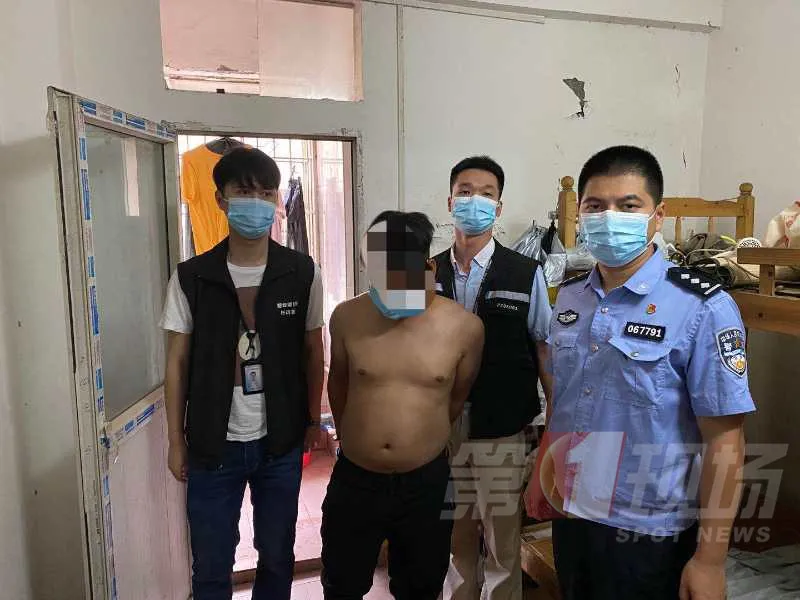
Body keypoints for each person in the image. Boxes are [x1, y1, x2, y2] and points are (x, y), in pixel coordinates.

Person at [538, 145, 755, 600]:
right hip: (573, 513)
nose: (609, 218)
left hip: (650, 530)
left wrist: (711, 559)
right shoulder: (571, 298)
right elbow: (563, 401)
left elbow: (725, 439)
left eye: (628, 205)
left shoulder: (703, 307)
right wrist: (545, 476)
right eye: (596, 206)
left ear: (658, 215)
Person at [160, 146, 325, 600]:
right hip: (213, 446)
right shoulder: (192, 277)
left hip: (280, 443)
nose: (257, 202)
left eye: (267, 193)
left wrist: (313, 421)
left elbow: (314, 350)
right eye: (244, 191)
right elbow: (176, 362)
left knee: (277, 556)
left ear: (277, 201)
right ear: (221, 199)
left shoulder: (301, 272)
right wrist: (176, 440)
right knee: (212, 564)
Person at [322, 210, 485, 600]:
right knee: (341, 585)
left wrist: (417, 442)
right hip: (355, 479)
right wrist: (357, 440)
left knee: (421, 588)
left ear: (428, 267)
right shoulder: (347, 317)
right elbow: (339, 384)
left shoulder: (465, 328)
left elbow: (455, 398)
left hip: (424, 484)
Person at [435, 156, 553, 600]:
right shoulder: (427, 272)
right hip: (441, 426)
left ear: (499, 208)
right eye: (465, 192)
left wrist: (553, 420)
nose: (475, 201)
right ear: (450, 202)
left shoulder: (525, 273)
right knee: (455, 534)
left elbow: (544, 349)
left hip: (502, 425)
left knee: (502, 540)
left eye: (486, 194)